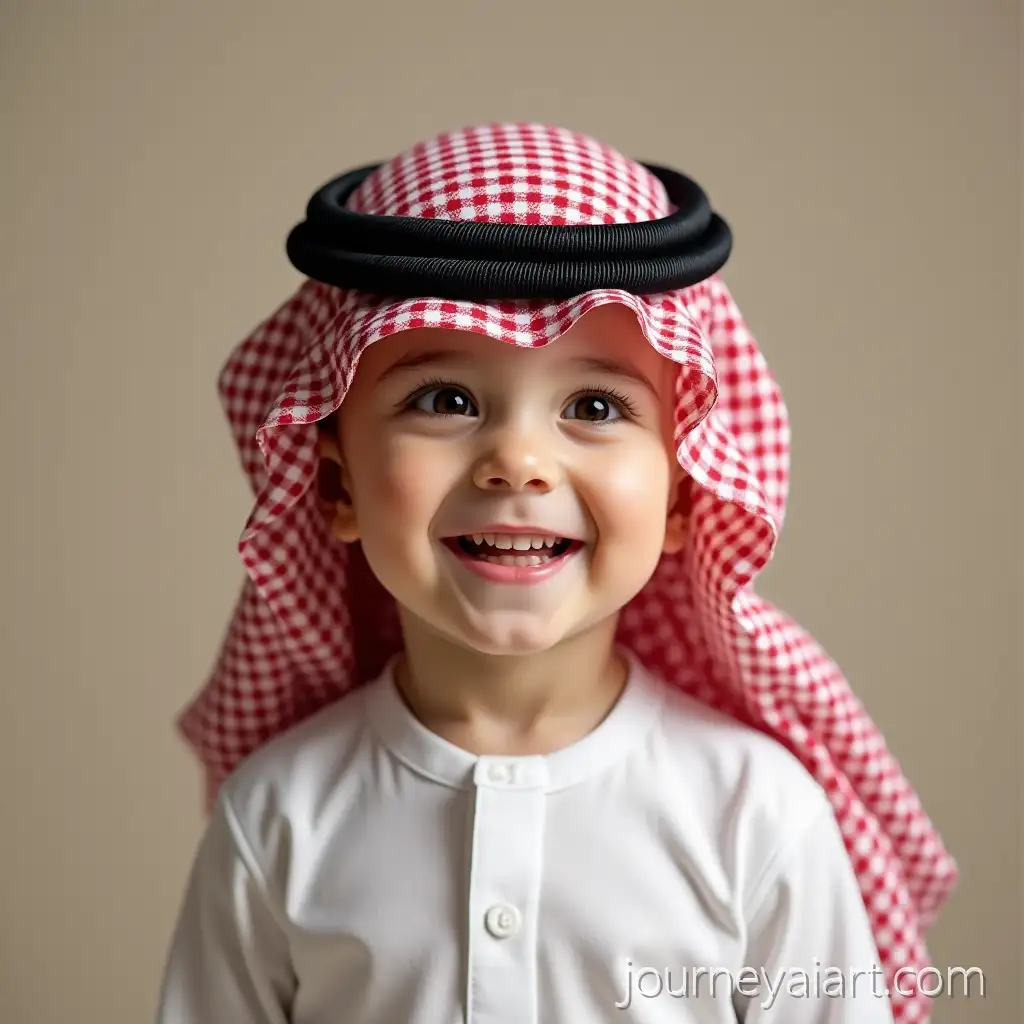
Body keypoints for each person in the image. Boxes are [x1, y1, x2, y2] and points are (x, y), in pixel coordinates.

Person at [156, 123, 957, 1023]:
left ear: (686, 494)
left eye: (595, 405)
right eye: (445, 399)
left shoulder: (756, 815)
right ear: (335, 483)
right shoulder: (279, 816)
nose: (519, 462)